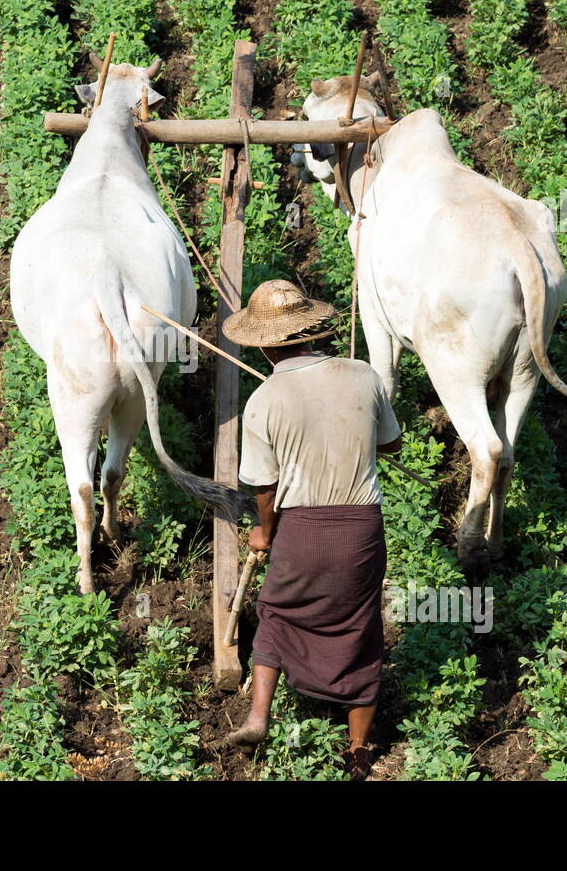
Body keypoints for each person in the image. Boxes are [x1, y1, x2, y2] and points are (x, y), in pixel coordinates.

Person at [220, 279, 402, 779]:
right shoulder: (364, 375)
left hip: (301, 528)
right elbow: (392, 445)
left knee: (277, 611)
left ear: (265, 342)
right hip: (360, 529)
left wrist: (264, 531)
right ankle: (359, 750)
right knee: (360, 626)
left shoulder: (263, 400)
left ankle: (259, 715)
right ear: (312, 328)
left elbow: (264, 484)